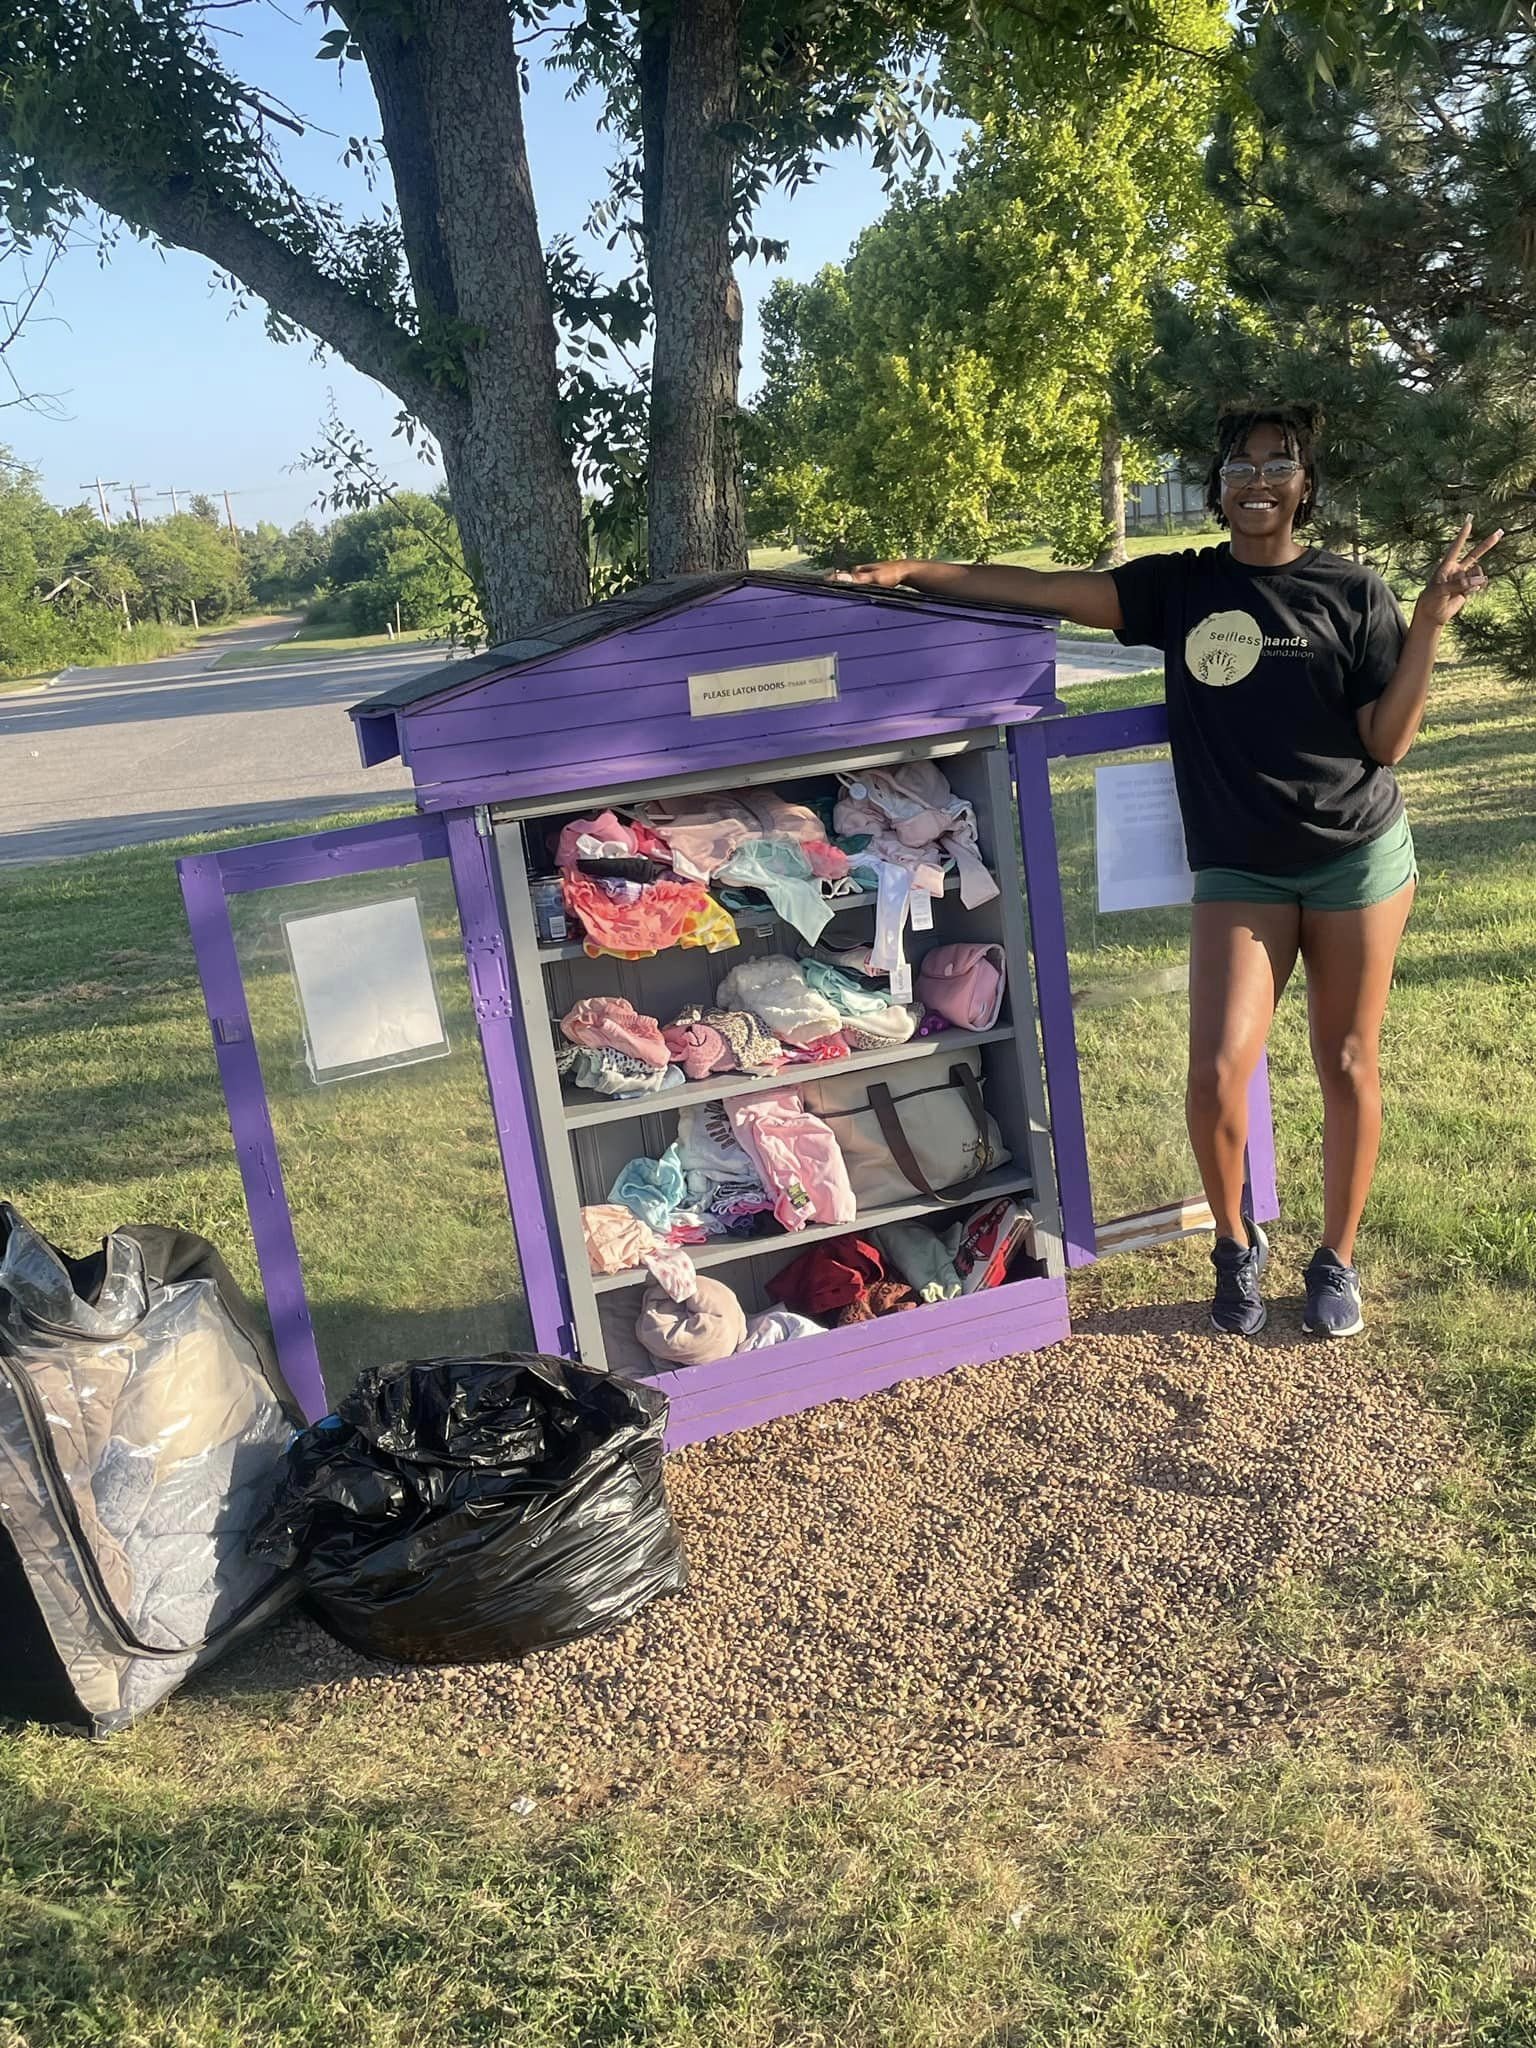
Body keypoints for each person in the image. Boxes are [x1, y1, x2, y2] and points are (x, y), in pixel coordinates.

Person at [834, 401, 1500, 1338]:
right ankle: (1236, 1243)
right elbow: (1049, 590)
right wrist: (913, 572)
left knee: (1348, 1062)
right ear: (1217, 484)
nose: (1258, 478)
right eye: (1240, 463)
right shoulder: (1181, 589)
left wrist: (1428, 622)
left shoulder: (1354, 595)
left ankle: (1337, 1258)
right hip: (1241, 868)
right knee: (1217, 1068)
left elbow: (1385, 744)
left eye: (1280, 462)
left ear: (1306, 486)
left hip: (1357, 859)